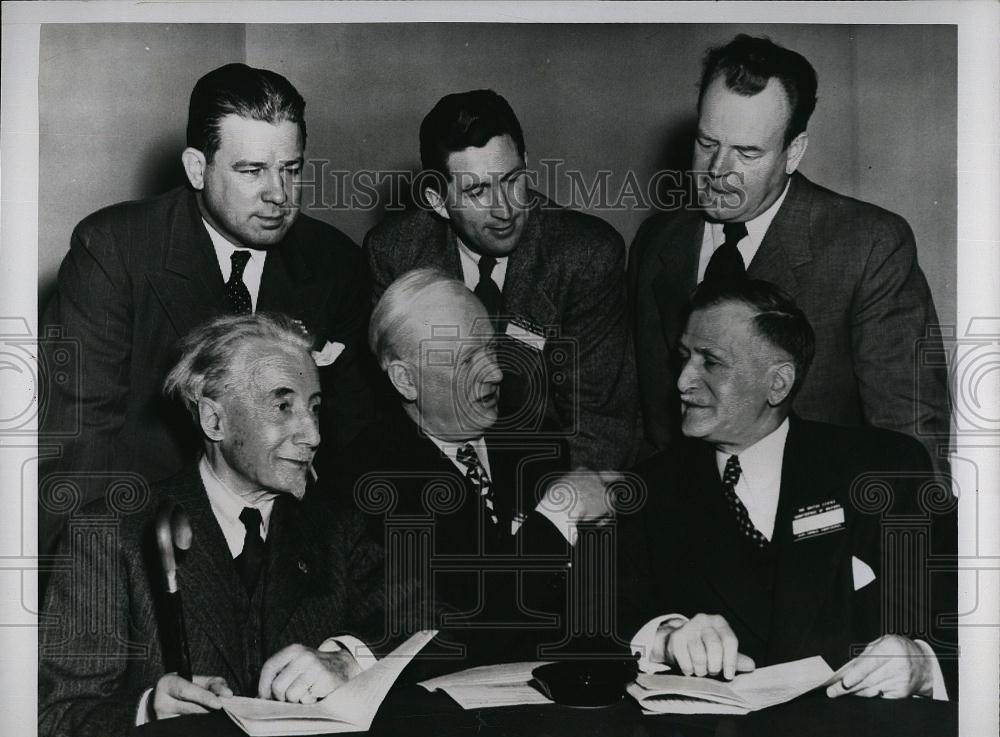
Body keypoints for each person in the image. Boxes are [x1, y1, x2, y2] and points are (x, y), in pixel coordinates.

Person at [39, 63, 372, 556]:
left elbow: (353, 439)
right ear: (198, 168)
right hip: (150, 535)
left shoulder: (335, 261)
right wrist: (98, 580)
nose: (279, 195)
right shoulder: (114, 249)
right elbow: (79, 447)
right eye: (252, 170)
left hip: (286, 544)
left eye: (292, 169)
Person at [38, 314, 389, 737]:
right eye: (283, 407)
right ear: (214, 421)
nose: (313, 434)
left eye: (315, 408)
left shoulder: (338, 526)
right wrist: (147, 712)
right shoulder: (106, 535)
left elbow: (429, 626)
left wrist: (348, 660)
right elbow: (55, 721)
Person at [619, 279, 957, 700]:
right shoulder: (651, 488)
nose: (683, 381)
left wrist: (924, 664)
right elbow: (595, 624)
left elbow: (967, 615)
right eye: (685, 358)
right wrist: (665, 637)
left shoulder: (886, 469)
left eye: (711, 362)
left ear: (777, 384)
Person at [629, 34, 950, 471]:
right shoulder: (657, 243)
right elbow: (649, 429)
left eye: (747, 151)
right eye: (707, 143)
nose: (718, 171)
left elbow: (910, 444)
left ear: (793, 152)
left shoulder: (869, 245)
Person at [351, 269, 622, 664]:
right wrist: (557, 514)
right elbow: (463, 623)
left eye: (492, 350)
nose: (495, 373)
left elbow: (592, 596)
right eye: (466, 361)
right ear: (405, 380)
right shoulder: (368, 479)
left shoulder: (535, 438)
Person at [364, 89, 637, 472]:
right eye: (477, 191)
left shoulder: (585, 255)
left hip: (555, 478)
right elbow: (399, 415)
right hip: (444, 478)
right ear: (437, 200)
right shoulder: (396, 253)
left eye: (512, 180)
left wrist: (544, 522)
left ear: (525, 162)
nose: (505, 209)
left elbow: (599, 425)